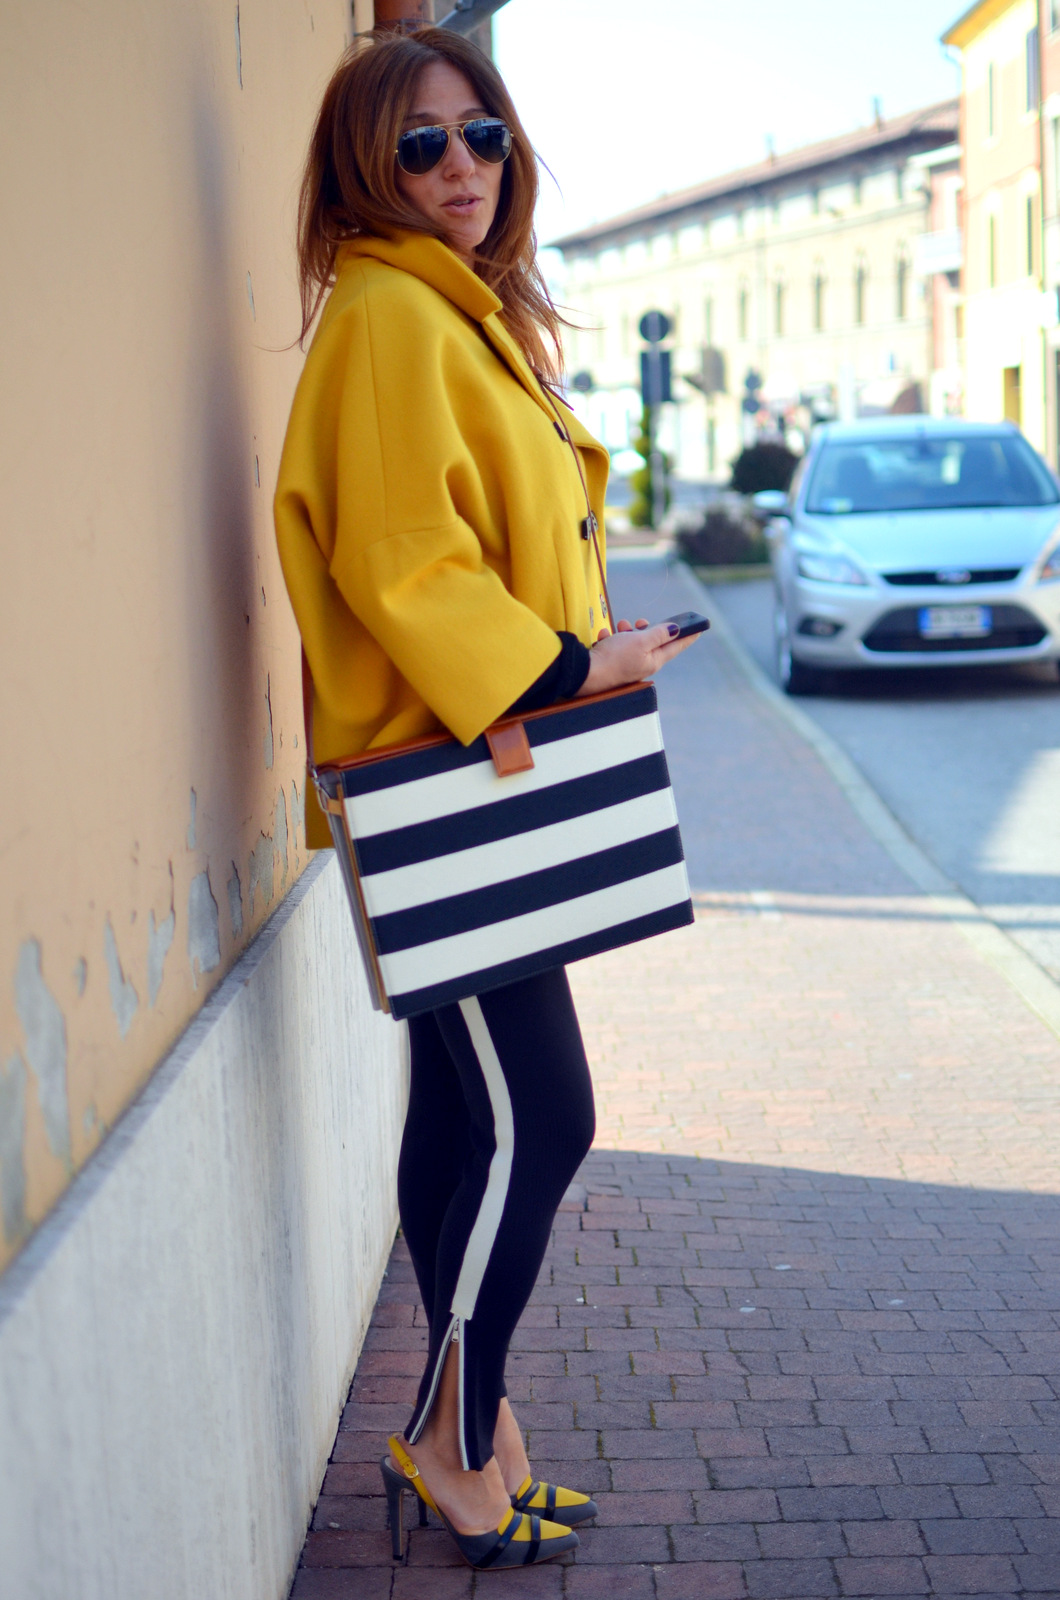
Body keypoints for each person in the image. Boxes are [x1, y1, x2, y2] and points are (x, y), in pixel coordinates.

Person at [274, 26, 697, 1572]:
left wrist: (583, 641)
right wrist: (576, 665)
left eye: (484, 136)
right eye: (422, 146)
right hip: (453, 785)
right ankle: (450, 1436)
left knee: (466, 1120)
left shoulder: (447, 309)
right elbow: (405, 564)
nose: (461, 167)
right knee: (545, 1119)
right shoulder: (394, 315)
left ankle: (482, 1424)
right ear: (364, 169)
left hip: (474, 786)